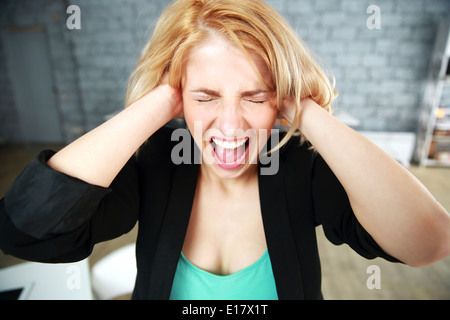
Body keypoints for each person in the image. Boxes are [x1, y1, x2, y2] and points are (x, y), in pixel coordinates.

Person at [1, 0, 449, 300]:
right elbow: (25, 230)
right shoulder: (158, 162)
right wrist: (157, 103)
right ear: (177, 92)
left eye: (255, 97)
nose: (231, 126)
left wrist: (306, 110)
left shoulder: (299, 167)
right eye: (205, 96)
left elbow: (428, 243)